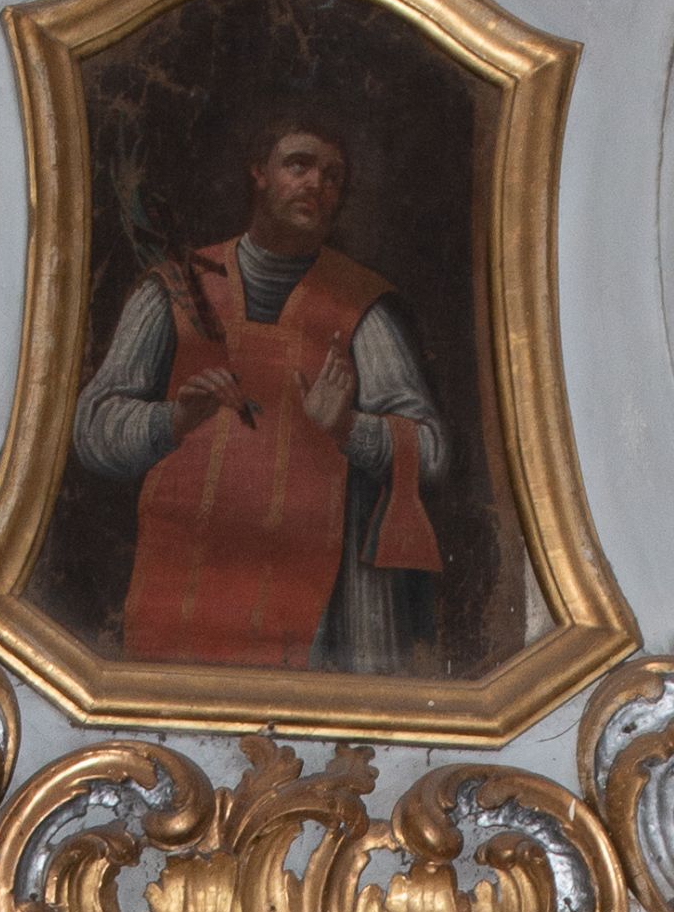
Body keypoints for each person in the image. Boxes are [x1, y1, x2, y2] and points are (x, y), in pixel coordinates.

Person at [71, 114, 449, 681]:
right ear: (260, 173)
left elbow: (431, 450)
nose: (316, 184)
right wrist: (174, 420)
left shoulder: (362, 305)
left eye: (332, 176)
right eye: (299, 165)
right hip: (181, 587)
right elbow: (93, 429)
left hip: (312, 604)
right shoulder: (175, 288)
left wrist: (348, 427)